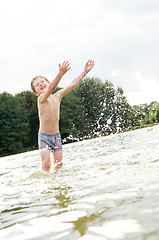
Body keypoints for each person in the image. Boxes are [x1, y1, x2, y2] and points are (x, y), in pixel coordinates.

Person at [31, 59, 94, 172]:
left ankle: (57, 185)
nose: (40, 84)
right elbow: (51, 88)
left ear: (49, 82)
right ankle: (45, 184)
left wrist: (85, 71)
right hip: (44, 137)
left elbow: (72, 85)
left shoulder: (57, 96)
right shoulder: (41, 99)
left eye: (42, 81)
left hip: (56, 136)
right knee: (46, 165)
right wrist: (60, 73)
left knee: (59, 165)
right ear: (36, 93)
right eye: (37, 85)